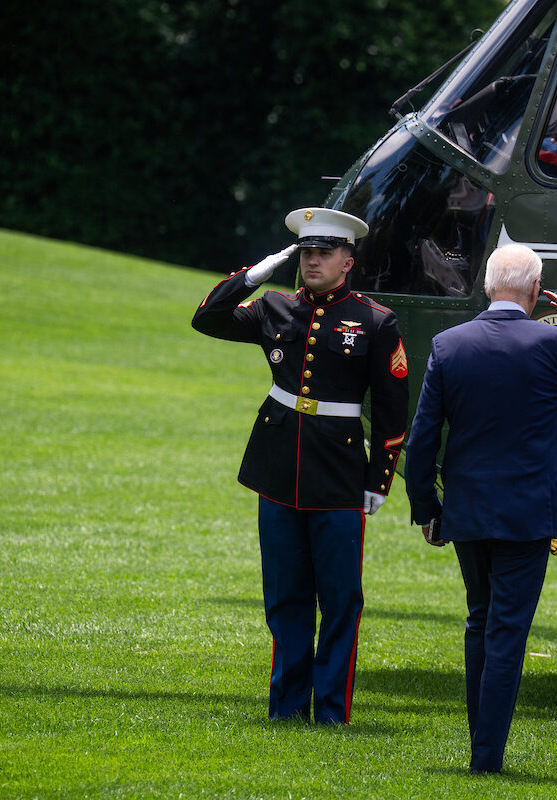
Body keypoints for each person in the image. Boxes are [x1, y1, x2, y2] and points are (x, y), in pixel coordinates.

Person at [403, 243, 557, 774]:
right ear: (534, 290)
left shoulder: (448, 345)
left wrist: (427, 508)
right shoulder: (552, 342)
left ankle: (482, 747)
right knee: (506, 631)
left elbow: (423, 439)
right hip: (527, 513)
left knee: (480, 621)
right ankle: (486, 759)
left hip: (468, 510)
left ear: (486, 286)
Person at [191, 207, 409, 725]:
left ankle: (332, 710)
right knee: (285, 597)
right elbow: (207, 318)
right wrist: (256, 273)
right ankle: (287, 707)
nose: (312, 261)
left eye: (324, 252)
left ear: (347, 261)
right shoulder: (274, 307)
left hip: (338, 474)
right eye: (306, 252)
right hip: (278, 466)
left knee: (339, 600)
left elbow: (394, 408)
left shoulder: (376, 321)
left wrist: (379, 477)